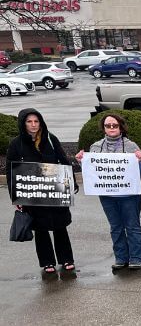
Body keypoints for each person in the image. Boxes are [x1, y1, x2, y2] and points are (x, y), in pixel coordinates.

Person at [5, 109, 75, 274]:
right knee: (41, 229)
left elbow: (63, 161)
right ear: (23, 123)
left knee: (60, 227)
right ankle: (47, 262)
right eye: (29, 122)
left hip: (54, 191)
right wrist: (16, 197)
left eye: (36, 121)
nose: (33, 125)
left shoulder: (51, 139)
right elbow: (11, 172)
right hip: (32, 194)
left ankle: (66, 259)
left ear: (41, 122)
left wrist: (70, 183)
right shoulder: (16, 144)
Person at [76, 114, 141, 270]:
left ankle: (137, 257)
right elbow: (93, 173)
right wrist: (81, 162)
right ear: (103, 128)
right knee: (115, 227)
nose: (111, 128)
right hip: (107, 196)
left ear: (121, 127)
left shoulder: (131, 146)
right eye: (108, 126)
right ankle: (121, 258)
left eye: (114, 125)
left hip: (129, 195)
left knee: (132, 226)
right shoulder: (95, 147)